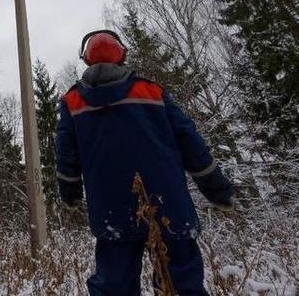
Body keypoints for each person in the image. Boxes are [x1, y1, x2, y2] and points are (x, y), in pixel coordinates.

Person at [55, 30, 234, 296]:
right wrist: (217, 190)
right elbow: (191, 143)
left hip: (109, 208)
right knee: (182, 285)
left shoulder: (73, 102)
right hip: (168, 205)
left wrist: (69, 196)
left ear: (85, 59)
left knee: (113, 287)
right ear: (122, 55)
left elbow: (66, 157)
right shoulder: (151, 92)